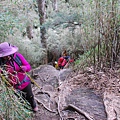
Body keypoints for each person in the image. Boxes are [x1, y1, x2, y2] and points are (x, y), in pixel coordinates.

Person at [0, 42, 38, 112]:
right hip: (13, 87)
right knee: (20, 100)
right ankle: (26, 110)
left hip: (25, 82)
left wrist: (25, 68)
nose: (7, 56)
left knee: (30, 96)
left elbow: (28, 66)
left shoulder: (18, 57)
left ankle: (34, 106)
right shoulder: (1, 63)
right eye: (5, 55)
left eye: (8, 54)